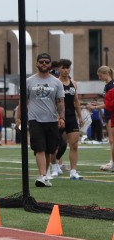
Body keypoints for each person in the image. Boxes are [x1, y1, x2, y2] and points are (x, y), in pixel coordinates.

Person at [12, 52, 65, 188]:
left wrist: (61, 117)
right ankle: (42, 176)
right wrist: (18, 118)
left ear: (50, 64)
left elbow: (60, 102)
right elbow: (22, 102)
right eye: (41, 61)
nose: (44, 64)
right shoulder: (28, 82)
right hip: (34, 120)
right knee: (39, 148)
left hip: (52, 120)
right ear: (37, 63)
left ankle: (44, 176)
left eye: (47, 62)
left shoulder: (57, 82)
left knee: (49, 150)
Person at [52, 59, 83, 180]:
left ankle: (73, 171)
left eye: (67, 68)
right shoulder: (55, 83)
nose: (65, 70)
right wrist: (57, 116)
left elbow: (76, 101)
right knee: (56, 145)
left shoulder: (73, 83)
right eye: (63, 68)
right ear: (59, 69)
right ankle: (54, 167)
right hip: (58, 117)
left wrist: (80, 116)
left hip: (71, 117)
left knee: (74, 145)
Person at [92, 65, 114, 171]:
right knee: (111, 140)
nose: (99, 78)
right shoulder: (107, 85)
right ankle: (112, 161)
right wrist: (98, 104)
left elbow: (110, 104)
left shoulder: (111, 85)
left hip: (111, 115)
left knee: (112, 140)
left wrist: (95, 107)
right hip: (108, 114)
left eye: (101, 76)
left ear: (106, 73)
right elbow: (107, 102)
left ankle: (112, 163)